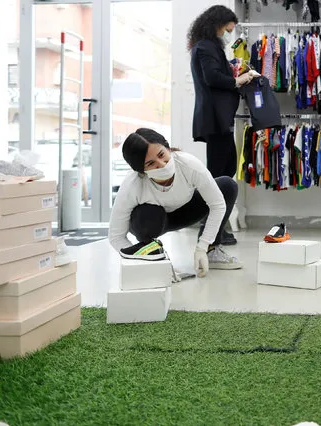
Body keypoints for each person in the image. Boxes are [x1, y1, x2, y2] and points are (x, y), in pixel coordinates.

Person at [108, 128, 242, 278]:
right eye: (151, 163)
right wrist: (144, 259)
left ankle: (212, 250)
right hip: (152, 220)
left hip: (186, 211)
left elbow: (217, 204)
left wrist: (203, 246)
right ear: (140, 170)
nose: (162, 164)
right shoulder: (132, 185)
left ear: (167, 147)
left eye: (161, 155)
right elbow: (116, 236)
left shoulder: (188, 164)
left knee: (227, 186)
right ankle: (151, 252)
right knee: (146, 215)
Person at [188, 5, 258, 246]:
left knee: (225, 169)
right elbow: (213, 77)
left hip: (219, 118)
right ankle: (211, 230)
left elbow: (216, 73)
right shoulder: (206, 47)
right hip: (215, 118)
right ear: (218, 24)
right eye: (229, 27)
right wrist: (239, 79)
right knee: (219, 175)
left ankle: (215, 226)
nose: (230, 32)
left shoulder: (207, 47)